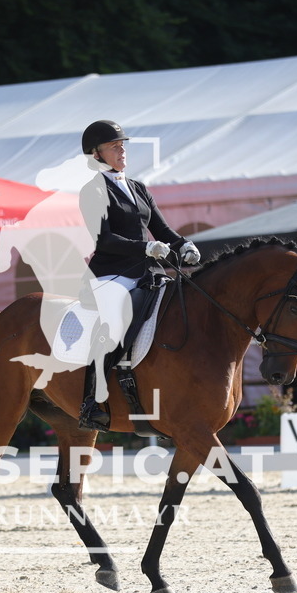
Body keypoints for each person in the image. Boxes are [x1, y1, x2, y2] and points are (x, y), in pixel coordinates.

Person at [77, 119, 200, 431]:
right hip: (110, 274)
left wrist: (183, 245)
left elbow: (162, 230)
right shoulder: (92, 191)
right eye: (114, 146)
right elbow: (104, 240)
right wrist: (145, 249)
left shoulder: (137, 188)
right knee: (115, 321)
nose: (122, 150)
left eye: (123, 145)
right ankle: (92, 399)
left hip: (147, 272)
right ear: (96, 155)